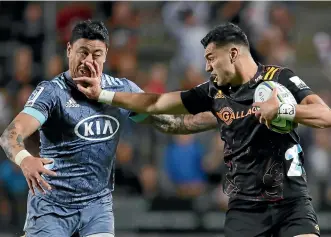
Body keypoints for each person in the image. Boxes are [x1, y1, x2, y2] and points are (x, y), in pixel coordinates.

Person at [75, 22, 331, 237]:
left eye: (211, 58)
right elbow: (156, 102)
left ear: (232, 54)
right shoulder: (213, 92)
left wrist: (284, 111)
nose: (207, 67)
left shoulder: (279, 78)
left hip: (291, 203)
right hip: (245, 210)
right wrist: (104, 94)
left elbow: (325, 115)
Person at [0, 20, 218, 237]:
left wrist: (223, 116)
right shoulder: (52, 93)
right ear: (69, 50)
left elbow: (172, 123)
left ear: (106, 55)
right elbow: (10, 135)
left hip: (96, 208)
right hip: (52, 207)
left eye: (96, 54)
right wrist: (25, 159)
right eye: (82, 52)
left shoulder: (121, 91)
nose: (88, 61)